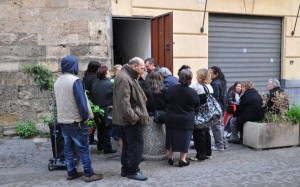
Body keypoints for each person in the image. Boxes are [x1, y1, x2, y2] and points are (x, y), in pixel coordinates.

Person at [54, 56, 102, 182]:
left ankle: (71, 171)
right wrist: (85, 117)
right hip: (76, 120)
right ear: (74, 65)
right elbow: (81, 102)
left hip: (63, 119)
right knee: (83, 147)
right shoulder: (75, 81)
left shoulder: (58, 81)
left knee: (68, 147)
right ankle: (89, 174)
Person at [112, 57, 150, 181]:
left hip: (126, 119)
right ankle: (132, 170)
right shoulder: (124, 77)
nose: (143, 70)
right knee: (135, 145)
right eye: (142, 67)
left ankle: (127, 169)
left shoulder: (127, 75)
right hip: (129, 120)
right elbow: (124, 103)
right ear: (134, 66)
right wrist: (134, 118)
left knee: (129, 146)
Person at [165, 69, 200, 167]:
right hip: (186, 119)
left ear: (179, 78)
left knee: (171, 137)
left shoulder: (171, 89)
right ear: (190, 79)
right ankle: (182, 159)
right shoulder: (192, 92)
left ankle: (170, 157)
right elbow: (197, 105)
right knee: (185, 138)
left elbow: (165, 101)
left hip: (171, 117)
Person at [90, 66, 117, 154]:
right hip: (107, 109)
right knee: (107, 129)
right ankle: (107, 147)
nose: (109, 73)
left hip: (97, 110)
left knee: (100, 128)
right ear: (105, 73)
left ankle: (100, 145)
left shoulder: (95, 83)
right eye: (108, 72)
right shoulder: (110, 84)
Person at [142, 71, 167, 160]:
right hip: (161, 115)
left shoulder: (145, 89)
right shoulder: (163, 88)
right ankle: (162, 152)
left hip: (149, 114)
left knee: (148, 136)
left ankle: (148, 153)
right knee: (162, 133)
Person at [190, 68, 213, 162]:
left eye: (197, 76)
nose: (196, 77)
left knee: (199, 135)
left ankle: (200, 155)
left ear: (202, 78)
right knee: (206, 133)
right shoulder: (209, 87)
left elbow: (197, 102)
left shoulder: (200, 88)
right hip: (207, 114)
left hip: (199, 114)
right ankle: (208, 153)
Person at [82, 61, 101, 145]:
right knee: (93, 120)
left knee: (89, 121)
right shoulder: (93, 78)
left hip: (87, 99)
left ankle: (90, 138)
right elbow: (95, 90)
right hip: (93, 100)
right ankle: (91, 138)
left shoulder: (86, 76)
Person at [210, 66, 227, 151]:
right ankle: (223, 143)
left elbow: (215, 97)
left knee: (216, 126)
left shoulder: (215, 83)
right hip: (222, 106)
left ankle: (219, 145)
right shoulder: (222, 81)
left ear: (216, 74)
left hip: (217, 107)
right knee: (220, 126)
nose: (209, 75)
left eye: (211, 73)